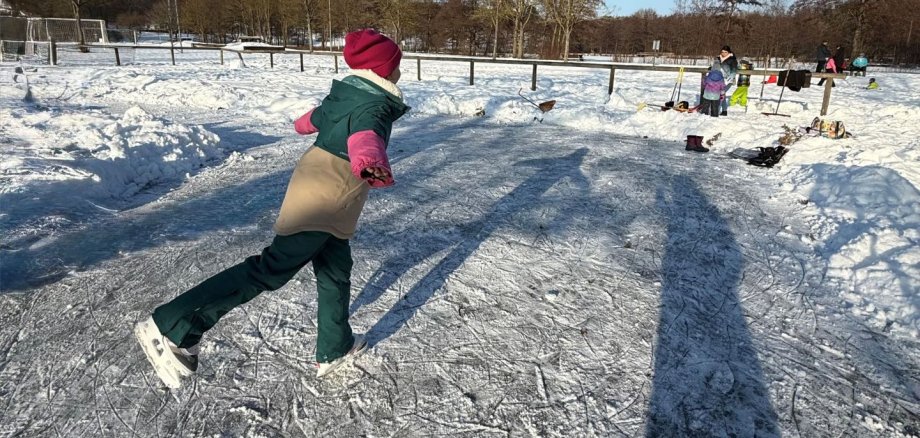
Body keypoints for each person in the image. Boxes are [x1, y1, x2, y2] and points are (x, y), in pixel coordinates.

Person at [133, 28, 410, 389]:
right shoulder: (373, 104)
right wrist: (370, 160)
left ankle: (335, 346)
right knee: (271, 269)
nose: (399, 72)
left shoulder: (347, 93)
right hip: (328, 196)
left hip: (322, 185)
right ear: (383, 71)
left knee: (335, 269)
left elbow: (316, 117)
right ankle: (175, 324)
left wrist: (302, 124)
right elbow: (365, 136)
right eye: (396, 66)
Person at [712, 45, 738, 116]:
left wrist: (729, 79)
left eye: (725, 52)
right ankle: (724, 111)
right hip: (718, 79)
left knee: (721, 93)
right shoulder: (718, 58)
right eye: (722, 52)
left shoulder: (732, 59)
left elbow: (734, 71)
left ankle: (716, 111)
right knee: (722, 94)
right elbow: (715, 67)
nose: (723, 53)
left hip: (728, 80)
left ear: (729, 52)